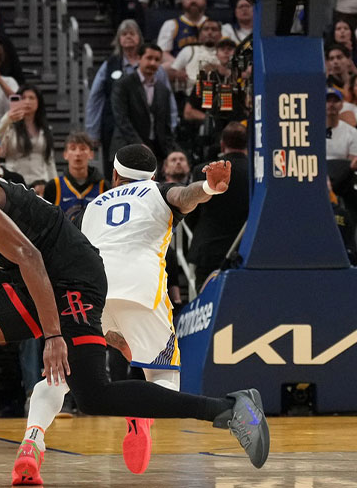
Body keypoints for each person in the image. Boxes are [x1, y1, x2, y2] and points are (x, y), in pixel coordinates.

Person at [0, 109, 269, 486]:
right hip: (48, 280)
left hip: (72, 279)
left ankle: (231, 409)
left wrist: (53, 336)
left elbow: (29, 256)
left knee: (89, 390)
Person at [12, 145, 232, 483]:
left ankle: (32, 441)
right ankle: (139, 414)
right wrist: (207, 188)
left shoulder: (88, 209)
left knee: (62, 376)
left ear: (114, 176)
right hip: (141, 291)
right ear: (154, 175)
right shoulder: (156, 190)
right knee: (164, 378)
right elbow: (184, 196)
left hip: (88, 290)